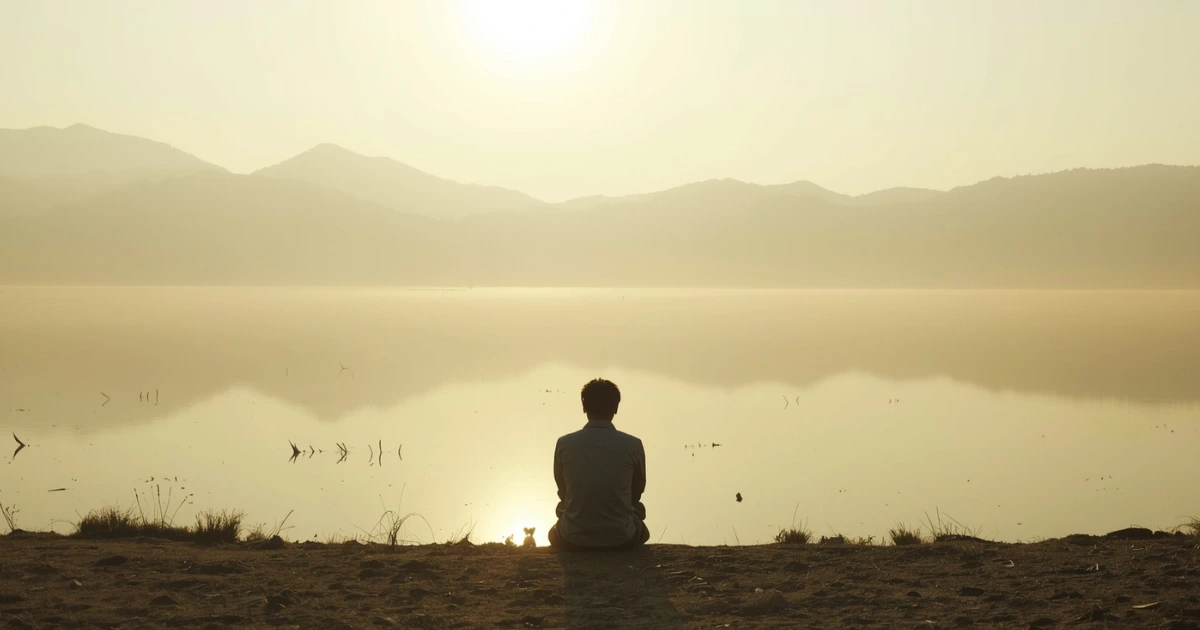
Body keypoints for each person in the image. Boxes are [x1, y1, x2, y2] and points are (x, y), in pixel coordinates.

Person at [548, 378, 651, 551]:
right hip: (621, 538)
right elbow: (636, 492)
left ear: (584, 407)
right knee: (639, 515)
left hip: (573, 538)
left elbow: (563, 491)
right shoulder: (633, 445)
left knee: (558, 521)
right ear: (616, 408)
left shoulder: (564, 444)